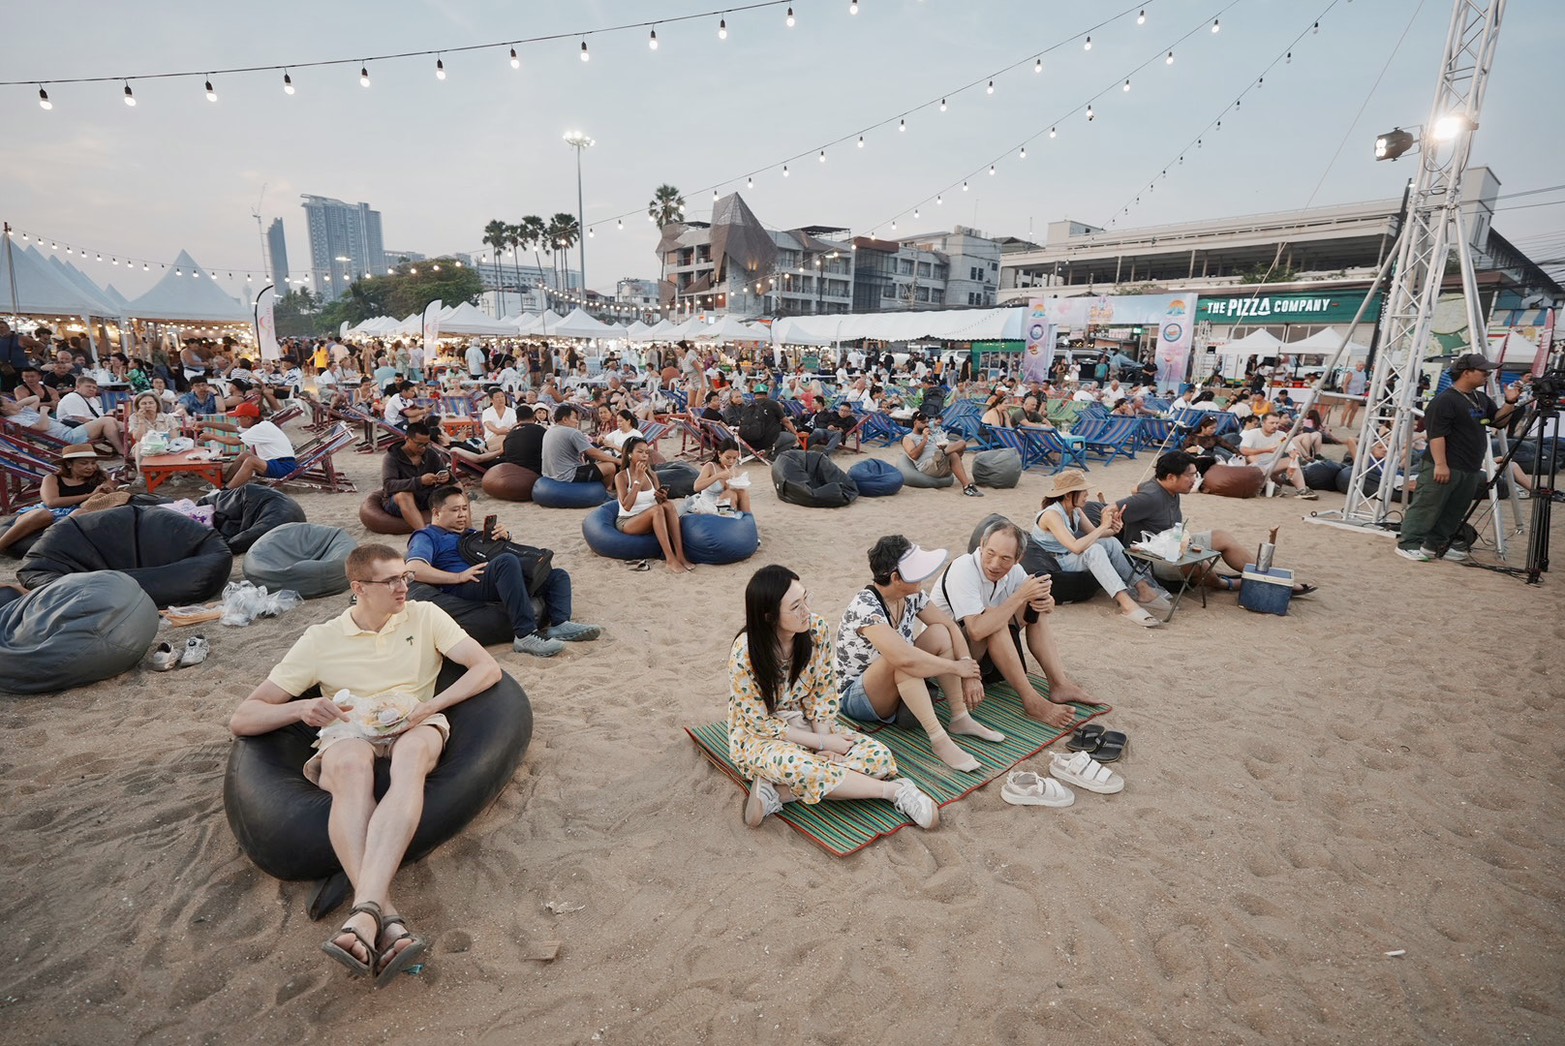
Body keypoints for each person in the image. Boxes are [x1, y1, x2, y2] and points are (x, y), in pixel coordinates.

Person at [230, 544, 501, 986]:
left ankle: (364, 914)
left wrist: (429, 706)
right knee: (352, 767)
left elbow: (486, 669)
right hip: (350, 728)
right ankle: (382, 914)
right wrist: (301, 709)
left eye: (404, 577)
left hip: (414, 719)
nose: (403, 587)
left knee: (411, 758)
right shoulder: (321, 639)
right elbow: (243, 717)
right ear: (358, 587)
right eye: (390, 580)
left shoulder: (425, 616)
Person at [728, 565, 939, 829]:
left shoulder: (815, 628)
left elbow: (822, 694)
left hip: (807, 722)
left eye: (805, 598)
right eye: (796, 607)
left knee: (879, 758)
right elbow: (759, 724)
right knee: (803, 767)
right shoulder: (745, 653)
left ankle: (779, 792)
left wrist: (825, 746)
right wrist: (822, 741)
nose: (806, 610)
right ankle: (894, 791)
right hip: (762, 737)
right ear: (770, 617)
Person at [835, 536, 1005, 772]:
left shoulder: (912, 595)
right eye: (915, 572)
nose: (922, 577)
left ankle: (960, 716)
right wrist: (956, 668)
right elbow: (903, 658)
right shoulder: (865, 607)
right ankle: (939, 740)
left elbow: (950, 626)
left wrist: (968, 667)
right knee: (902, 661)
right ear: (896, 578)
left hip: (894, 678)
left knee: (939, 633)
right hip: (858, 696)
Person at [929, 519, 1099, 730]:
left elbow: (1033, 603)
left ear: (1018, 558)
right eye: (990, 553)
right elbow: (976, 630)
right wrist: (1020, 596)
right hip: (952, 657)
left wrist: (1047, 602)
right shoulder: (964, 568)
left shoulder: (1014, 571)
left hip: (981, 653)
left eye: (1005, 558)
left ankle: (1059, 684)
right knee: (994, 619)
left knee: (1034, 606)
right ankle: (1032, 701)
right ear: (981, 545)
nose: (994, 564)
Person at [406, 486, 600, 657]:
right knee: (506, 562)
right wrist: (458, 576)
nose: (462, 514)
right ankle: (525, 635)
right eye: (455, 510)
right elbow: (413, 569)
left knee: (557, 575)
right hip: (465, 585)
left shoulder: (471, 534)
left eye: (464, 508)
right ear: (436, 512)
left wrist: (505, 538)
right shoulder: (427, 536)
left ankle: (560, 624)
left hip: (493, 577)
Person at [1117, 451, 1318, 597]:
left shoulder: (1164, 487)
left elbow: (1138, 489)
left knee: (1221, 536)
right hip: (1153, 560)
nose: (1195, 479)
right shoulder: (1150, 497)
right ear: (1170, 477)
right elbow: (1110, 509)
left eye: (1196, 474)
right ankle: (1224, 584)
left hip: (1174, 543)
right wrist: (1116, 529)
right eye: (1191, 475)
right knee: (1198, 563)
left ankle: (1264, 576)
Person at [1397, 353, 1522, 562]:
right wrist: (1440, 464)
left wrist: (1510, 402)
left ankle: (1435, 545)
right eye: (1483, 371)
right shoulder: (1445, 400)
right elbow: (1436, 435)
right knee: (1428, 505)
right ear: (1466, 373)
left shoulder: (1480, 398)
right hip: (1446, 464)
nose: (1487, 375)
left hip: (1469, 466)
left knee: (1455, 509)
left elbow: (1498, 422)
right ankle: (1408, 544)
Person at [1031, 470, 1168, 626]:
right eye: (1083, 490)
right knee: (1094, 551)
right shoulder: (1051, 515)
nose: (1087, 494)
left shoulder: (1075, 511)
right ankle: (1126, 604)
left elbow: (1094, 533)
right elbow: (1075, 547)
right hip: (1055, 562)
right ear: (1068, 495)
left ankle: (1143, 589)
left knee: (1111, 542)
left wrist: (1113, 529)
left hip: (1068, 555)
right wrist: (1103, 526)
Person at [0, 446, 117, 555]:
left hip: (72, 517)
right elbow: (51, 502)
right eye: (84, 463)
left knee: (80, 513)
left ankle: (50, 541)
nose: (90, 467)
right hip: (47, 512)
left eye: (93, 463)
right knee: (44, 514)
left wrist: (110, 491)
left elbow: (106, 500)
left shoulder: (102, 477)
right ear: (69, 464)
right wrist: (89, 495)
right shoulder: (52, 478)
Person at [614, 436, 695, 574]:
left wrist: (662, 497)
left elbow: (659, 502)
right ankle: (670, 559)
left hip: (651, 517)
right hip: (628, 521)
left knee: (668, 505)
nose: (644, 456)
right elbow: (626, 506)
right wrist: (637, 481)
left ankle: (680, 556)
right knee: (657, 510)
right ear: (629, 454)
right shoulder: (621, 476)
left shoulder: (651, 474)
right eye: (640, 452)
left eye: (646, 452)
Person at [196, 401, 297, 487]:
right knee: (244, 455)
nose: (236, 420)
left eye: (238, 417)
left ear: (248, 418)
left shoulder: (261, 428)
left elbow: (234, 442)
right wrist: (206, 424)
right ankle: (224, 481)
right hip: (276, 463)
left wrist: (212, 436)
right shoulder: (258, 425)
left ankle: (226, 490)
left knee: (251, 461)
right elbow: (232, 428)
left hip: (283, 466)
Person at [0, 392, 126, 457]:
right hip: (65, 438)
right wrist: (43, 412)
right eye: (8, 402)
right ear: (3, 408)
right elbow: (42, 428)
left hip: (69, 431)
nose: (12, 401)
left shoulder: (22, 413)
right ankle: (123, 451)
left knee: (112, 421)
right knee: (107, 421)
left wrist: (16, 406)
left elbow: (35, 398)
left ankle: (127, 447)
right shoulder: (15, 420)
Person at [382, 421, 452, 532]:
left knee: (456, 485)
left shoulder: (431, 454)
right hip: (398, 503)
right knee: (405, 495)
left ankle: (468, 528)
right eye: (419, 444)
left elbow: (444, 472)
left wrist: (446, 477)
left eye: (426, 444)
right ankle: (425, 533)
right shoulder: (392, 457)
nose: (423, 448)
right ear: (407, 439)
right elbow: (388, 485)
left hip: (425, 497)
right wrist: (420, 481)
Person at [900, 412, 983, 497]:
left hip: (938, 460)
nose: (926, 425)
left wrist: (942, 446)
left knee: (960, 445)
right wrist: (925, 440)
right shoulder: (908, 437)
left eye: (927, 422)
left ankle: (967, 486)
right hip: (928, 465)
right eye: (923, 422)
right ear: (915, 423)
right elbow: (913, 455)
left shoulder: (931, 434)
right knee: (954, 453)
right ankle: (966, 486)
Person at [1238, 413, 1316, 499]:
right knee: (1252, 457)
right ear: (1263, 423)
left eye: (1277, 423)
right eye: (1272, 423)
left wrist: (1294, 453)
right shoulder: (1252, 433)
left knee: (1292, 460)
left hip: (1271, 465)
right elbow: (1243, 450)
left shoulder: (1281, 435)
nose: (1275, 426)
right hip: (1253, 467)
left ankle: (1302, 490)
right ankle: (1271, 486)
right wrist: (1266, 450)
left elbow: (1291, 449)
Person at [541, 404, 618, 487]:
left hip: (549, 474)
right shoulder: (573, 432)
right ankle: (606, 490)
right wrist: (617, 461)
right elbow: (593, 453)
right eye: (574, 418)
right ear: (565, 419)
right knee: (610, 466)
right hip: (567, 475)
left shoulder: (548, 431)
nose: (577, 421)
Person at [691, 438, 753, 516]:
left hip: (727, 503)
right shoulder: (710, 466)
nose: (731, 461)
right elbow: (696, 487)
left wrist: (733, 483)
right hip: (710, 503)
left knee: (743, 492)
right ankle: (727, 518)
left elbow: (729, 491)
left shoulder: (734, 470)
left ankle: (748, 517)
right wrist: (718, 476)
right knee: (730, 494)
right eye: (728, 458)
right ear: (720, 454)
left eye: (734, 458)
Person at [736, 384, 799, 458]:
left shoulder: (747, 405)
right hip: (767, 442)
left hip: (748, 441)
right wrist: (795, 433)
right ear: (767, 394)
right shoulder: (773, 404)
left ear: (754, 394)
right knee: (792, 438)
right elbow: (786, 421)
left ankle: (759, 453)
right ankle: (773, 456)